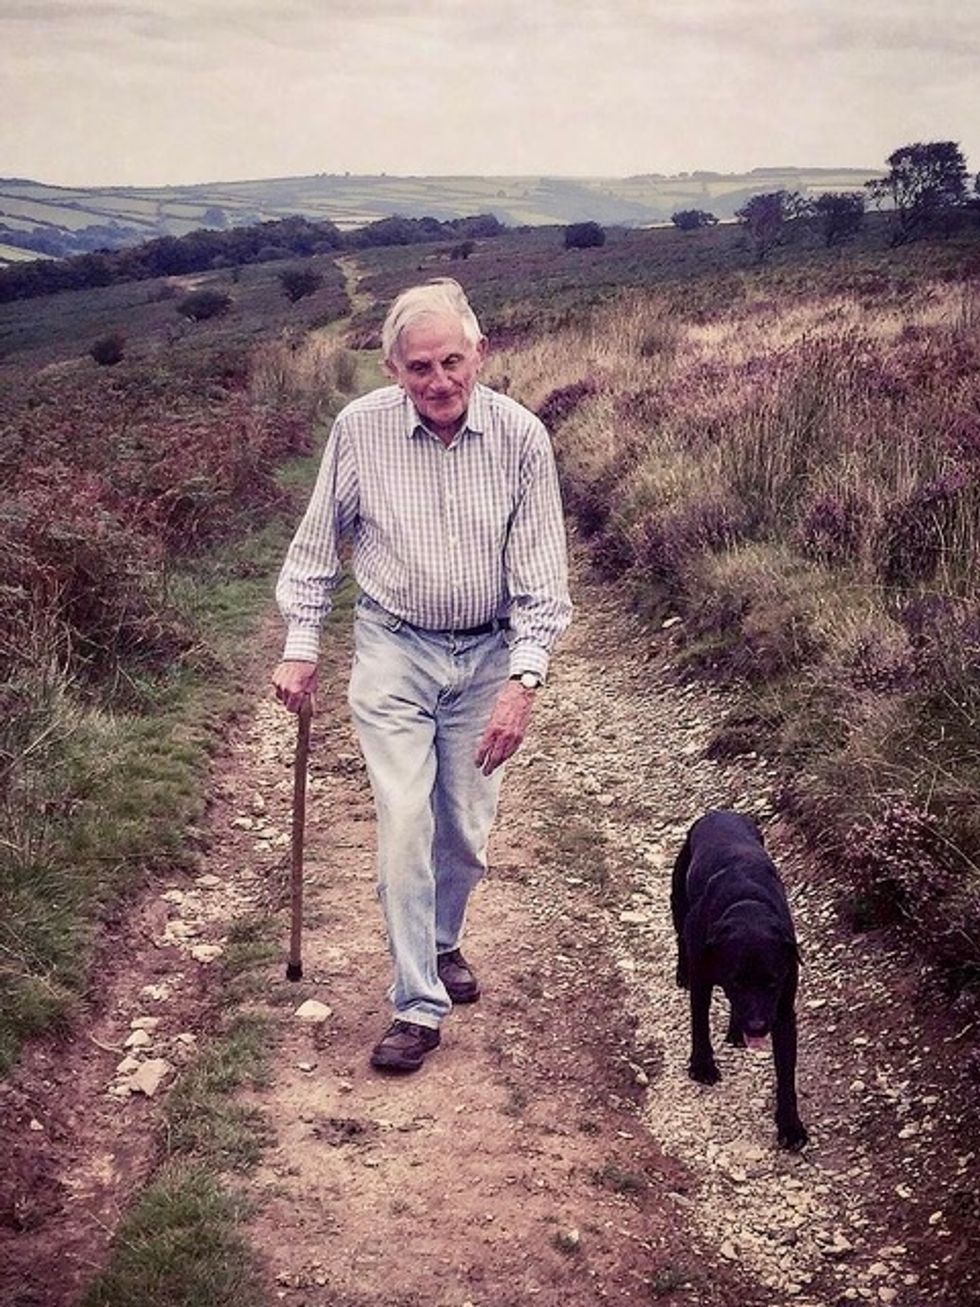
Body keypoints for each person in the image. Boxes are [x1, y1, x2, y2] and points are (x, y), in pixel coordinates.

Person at [272, 277, 571, 1073]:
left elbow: (544, 582)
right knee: (405, 820)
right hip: (393, 646)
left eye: (450, 361)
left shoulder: (521, 438)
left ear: (480, 352)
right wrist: (303, 642)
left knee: (465, 832)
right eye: (418, 368)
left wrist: (524, 680)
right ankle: (415, 1002)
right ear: (391, 370)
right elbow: (314, 549)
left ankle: (442, 942)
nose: (438, 381)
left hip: (486, 656)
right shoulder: (360, 431)